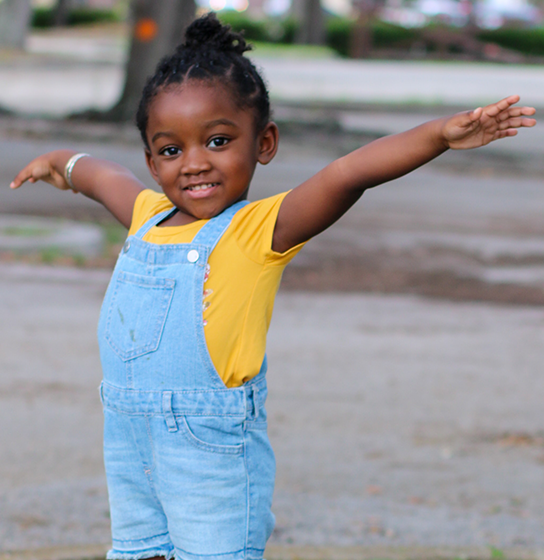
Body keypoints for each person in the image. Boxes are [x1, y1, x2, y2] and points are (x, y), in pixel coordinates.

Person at [10, 12, 536, 560]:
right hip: (129, 449)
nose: (193, 164)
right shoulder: (146, 214)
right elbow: (103, 176)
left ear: (264, 143)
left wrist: (440, 136)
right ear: (152, 159)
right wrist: (61, 163)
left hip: (209, 455)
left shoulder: (259, 230)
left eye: (217, 140)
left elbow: (347, 173)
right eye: (170, 150)